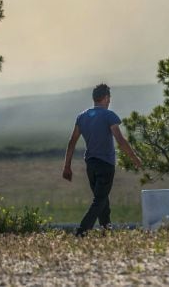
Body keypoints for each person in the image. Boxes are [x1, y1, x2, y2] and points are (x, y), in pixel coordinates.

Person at [62, 83, 142, 237]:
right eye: (109, 98)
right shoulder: (108, 115)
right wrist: (134, 158)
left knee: (102, 200)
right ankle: (81, 232)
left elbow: (72, 142)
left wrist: (67, 166)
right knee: (99, 201)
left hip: (90, 164)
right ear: (105, 98)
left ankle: (107, 232)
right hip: (105, 164)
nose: (110, 101)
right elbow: (120, 139)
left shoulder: (82, 117)